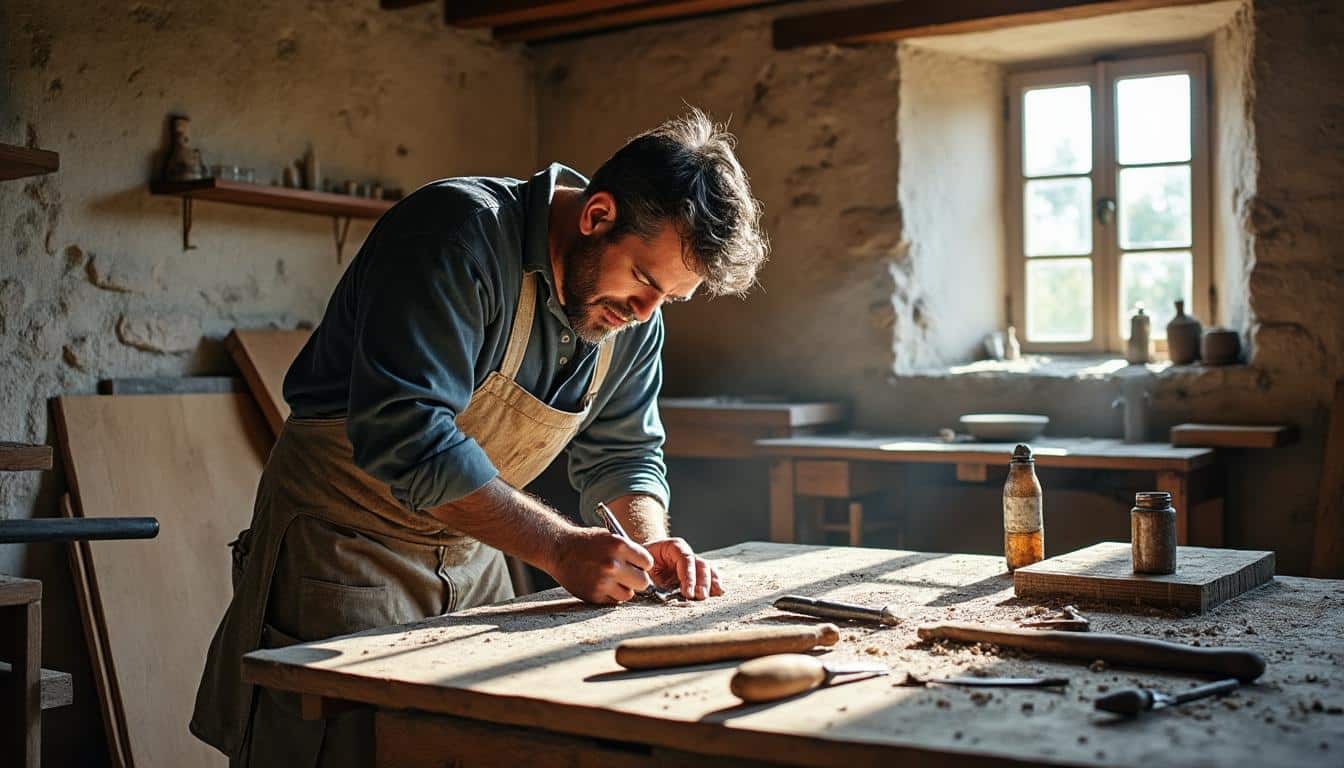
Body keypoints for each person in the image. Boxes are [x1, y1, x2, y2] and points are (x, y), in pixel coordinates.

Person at [191, 108, 769, 767]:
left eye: (668, 297)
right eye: (642, 279)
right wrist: (558, 547)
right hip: (343, 548)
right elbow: (410, 436)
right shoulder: (454, 235)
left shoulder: (635, 320)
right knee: (339, 749)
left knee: (475, 744)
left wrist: (646, 536)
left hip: (474, 552)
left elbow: (625, 452)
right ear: (597, 215)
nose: (644, 313)